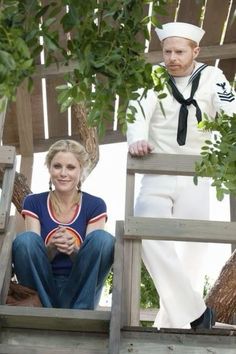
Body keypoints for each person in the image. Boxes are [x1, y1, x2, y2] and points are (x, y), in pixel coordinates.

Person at [126, 22, 236, 329]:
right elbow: (136, 112)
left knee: (193, 251)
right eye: (167, 51)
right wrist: (136, 138)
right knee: (145, 232)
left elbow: (231, 111)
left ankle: (174, 324)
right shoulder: (153, 77)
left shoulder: (213, 77)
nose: (172, 58)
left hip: (197, 173)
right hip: (156, 170)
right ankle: (196, 316)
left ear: (195, 51)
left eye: (179, 51)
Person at [12, 139, 115, 309]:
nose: (63, 173)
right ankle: (42, 306)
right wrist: (51, 247)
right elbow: (32, 252)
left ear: (81, 170)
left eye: (71, 167)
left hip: (81, 289)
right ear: (49, 169)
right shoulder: (34, 202)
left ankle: (80, 312)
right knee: (26, 241)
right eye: (57, 166)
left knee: (103, 239)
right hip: (41, 286)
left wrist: (74, 250)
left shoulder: (95, 205)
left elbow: (92, 257)